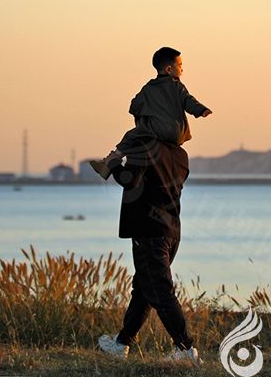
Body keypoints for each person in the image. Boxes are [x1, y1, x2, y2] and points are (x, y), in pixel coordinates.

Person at [98, 135, 201, 366]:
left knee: (160, 290)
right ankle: (121, 343)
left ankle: (185, 348)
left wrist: (114, 164)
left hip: (149, 231)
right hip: (171, 230)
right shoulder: (180, 154)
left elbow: (129, 180)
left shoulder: (144, 146)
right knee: (144, 288)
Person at [90, 47, 212, 180]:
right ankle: (107, 163)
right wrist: (201, 110)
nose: (182, 69)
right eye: (180, 65)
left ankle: (109, 162)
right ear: (169, 69)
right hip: (177, 133)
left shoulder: (149, 88)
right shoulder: (177, 86)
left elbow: (134, 105)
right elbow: (188, 100)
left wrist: (143, 117)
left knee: (130, 135)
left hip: (158, 130)